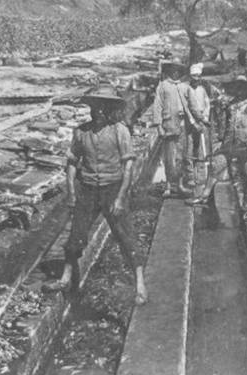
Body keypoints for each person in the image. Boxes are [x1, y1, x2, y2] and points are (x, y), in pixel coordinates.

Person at [43, 86, 147, 305]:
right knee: (75, 237)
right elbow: (71, 164)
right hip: (88, 189)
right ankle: (66, 278)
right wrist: (72, 192)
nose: (97, 111)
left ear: (108, 109)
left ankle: (139, 284)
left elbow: (128, 166)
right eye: (94, 106)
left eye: (101, 107)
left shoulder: (120, 131)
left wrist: (120, 198)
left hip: (112, 188)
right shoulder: (81, 132)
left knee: (125, 235)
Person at [186, 76, 247, 208]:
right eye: (237, 88)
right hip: (229, 143)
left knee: (246, 173)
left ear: (246, 90)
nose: (240, 92)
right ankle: (204, 195)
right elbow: (224, 121)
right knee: (216, 166)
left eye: (242, 89)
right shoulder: (231, 105)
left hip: (245, 144)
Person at [152, 61, 198, 197]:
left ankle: (179, 184)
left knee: (182, 156)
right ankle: (168, 185)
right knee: (168, 156)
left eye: (178, 71)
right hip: (169, 125)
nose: (175, 73)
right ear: (169, 72)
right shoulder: (163, 86)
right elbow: (157, 106)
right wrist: (158, 125)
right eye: (173, 71)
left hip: (183, 125)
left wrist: (200, 119)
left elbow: (193, 105)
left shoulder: (185, 87)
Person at [187, 62, 211, 175]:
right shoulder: (188, 89)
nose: (196, 79)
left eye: (198, 76)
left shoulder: (202, 89)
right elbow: (190, 107)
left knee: (202, 142)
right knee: (190, 143)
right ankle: (190, 168)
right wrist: (198, 119)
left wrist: (205, 115)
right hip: (192, 120)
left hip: (203, 119)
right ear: (190, 77)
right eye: (194, 76)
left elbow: (207, 103)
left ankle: (202, 165)